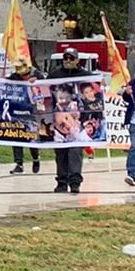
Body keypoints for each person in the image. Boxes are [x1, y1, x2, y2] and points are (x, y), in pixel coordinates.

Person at [49, 47, 87, 194]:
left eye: (71, 58)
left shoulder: (85, 75)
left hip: (76, 122)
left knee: (75, 152)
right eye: (66, 58)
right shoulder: (55, 75)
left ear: (77, 60)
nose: (68, 61)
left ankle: (75, 182)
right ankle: (62, 182)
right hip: (58, 121)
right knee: (61, 153)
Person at [7, 57, 41, 174]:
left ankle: (35, 157)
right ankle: (19, 163)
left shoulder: (37, 74)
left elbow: (47, 85)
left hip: (32, 110)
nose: (19, 70)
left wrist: (37, 81)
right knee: (16, 136)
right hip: (17, 109)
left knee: (30, 135)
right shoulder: (14, 77)